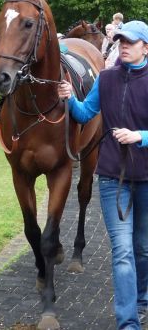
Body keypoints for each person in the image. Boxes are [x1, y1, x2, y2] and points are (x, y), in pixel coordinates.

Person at [57, 20, 148, 330]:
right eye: (120, 40)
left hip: (147, 177)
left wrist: (141, 137)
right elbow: (84, 114)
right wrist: (70, 98)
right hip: (112, 176)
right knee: (122, 251)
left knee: (142, 247)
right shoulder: (106, 79)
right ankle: (129, 323)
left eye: (131, 41)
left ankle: (142, 297)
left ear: (145, 47)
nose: (123, 45)